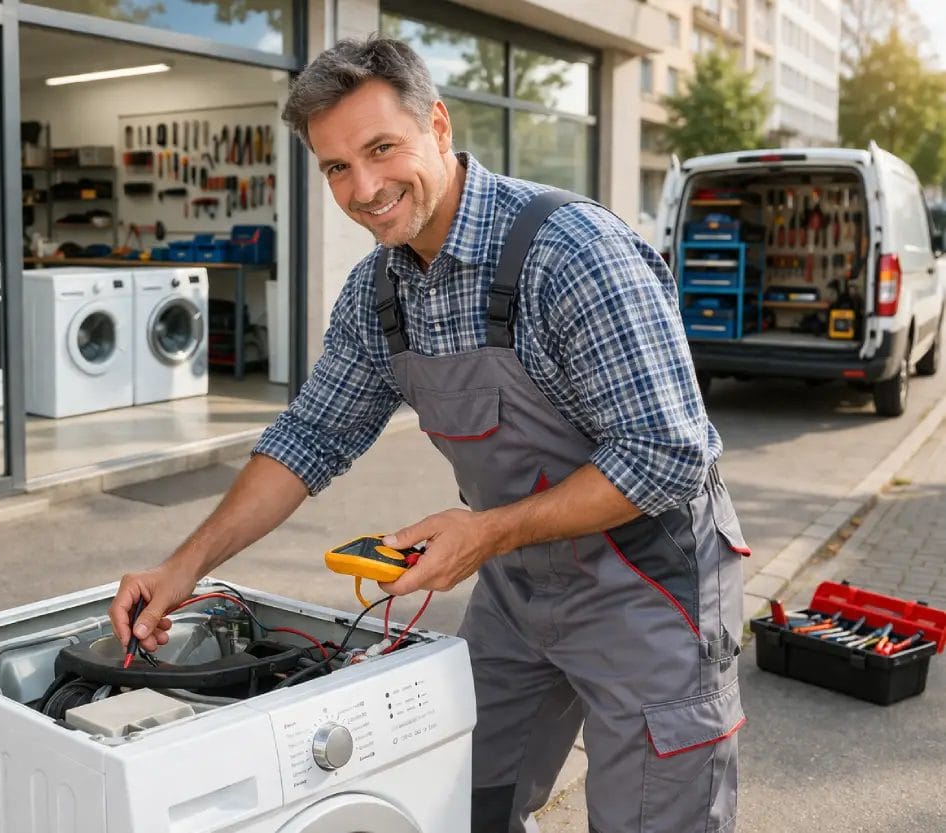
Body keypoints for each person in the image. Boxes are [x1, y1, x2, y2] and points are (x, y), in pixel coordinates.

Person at [110, 34, 749, 833]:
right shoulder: (379, 292)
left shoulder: (572, 255)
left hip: (651, 591)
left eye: (382, 148)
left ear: (439, 127)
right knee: (457, 800)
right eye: (338, 166)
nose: (365, 187)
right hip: (520, 588)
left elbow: (668, 454)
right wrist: (182, 567)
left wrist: (486, 533)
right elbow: (309, 438)